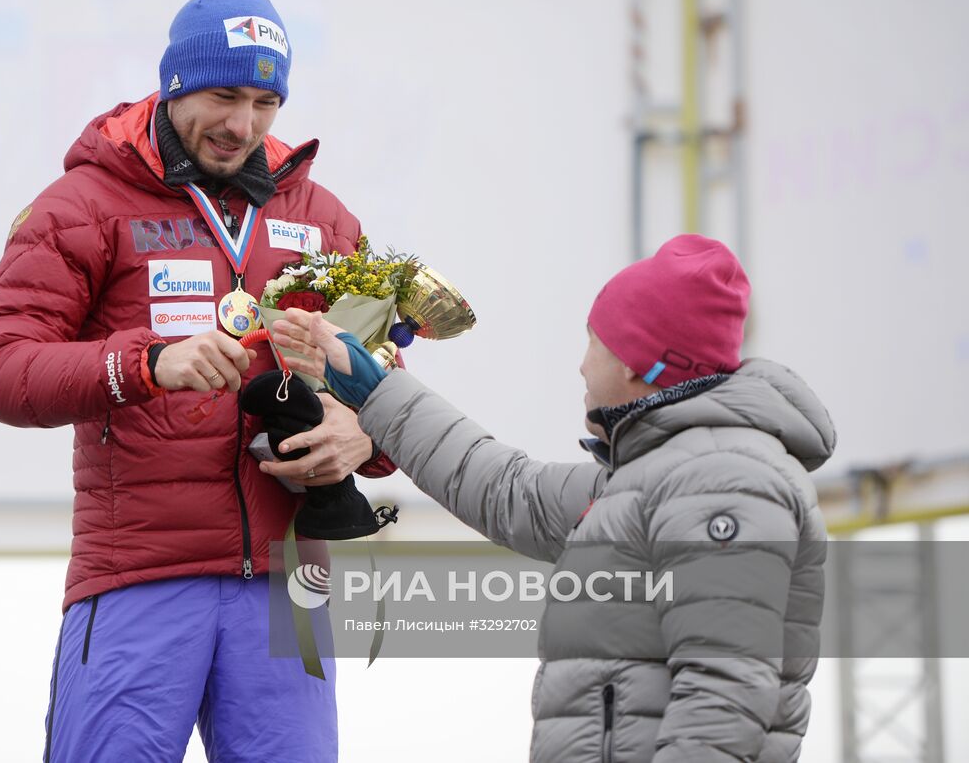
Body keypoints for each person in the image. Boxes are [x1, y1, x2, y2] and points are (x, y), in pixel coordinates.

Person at [0, 0, 395, 763]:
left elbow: (386, 379)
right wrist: (147, 363)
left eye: (266, 101)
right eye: (224, 96)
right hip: (139, 571)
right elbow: (0, 368)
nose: (244, 125)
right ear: (173, 84)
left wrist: (358, 431)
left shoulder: (325, 219)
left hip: (289, 582)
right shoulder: (84, 204)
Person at [266, 234, 837, 763]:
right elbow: (510, 490)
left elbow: (727, 699)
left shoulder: (721, 482)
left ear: (643, 365)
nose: (583, 364)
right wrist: (375, 389)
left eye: (596, 342)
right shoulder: (655, 476)